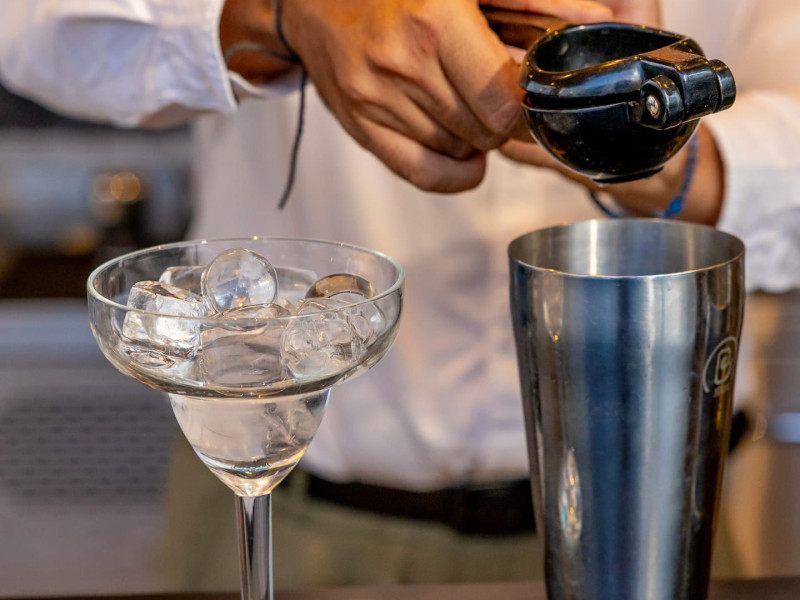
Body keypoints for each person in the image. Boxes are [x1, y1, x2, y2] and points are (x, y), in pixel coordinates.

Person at [3, 0, 800, 590]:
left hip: (654, 527)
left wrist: (663, 154)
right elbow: (33, 25)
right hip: (285, 508)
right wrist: (288, 14)